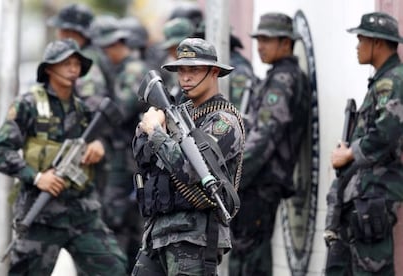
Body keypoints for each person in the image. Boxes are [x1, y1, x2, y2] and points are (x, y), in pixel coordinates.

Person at [0, 39, 127, 275]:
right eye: (65, 63)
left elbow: (108, 140)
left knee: (114, 268)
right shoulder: (28, 105)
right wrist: (36, 177)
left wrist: (99, 145)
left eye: (76, 63)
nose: (73, 69)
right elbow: (2, 153)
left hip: (82, 214)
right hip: (41, 215)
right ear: (48, 69)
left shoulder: (85, 110)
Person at [131, 38, 245, 276]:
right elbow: (142, 158)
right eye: (181, 70)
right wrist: (146, 129)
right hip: (157, 234)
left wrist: (156, 132)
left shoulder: (223, 121)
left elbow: (191, 170)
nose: (185, 77)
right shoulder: (175, 114)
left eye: (194, 69)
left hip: (195, 238)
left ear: (214, 72)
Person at [229, 12, 310, 276]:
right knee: (243, 255)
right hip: (257, 182)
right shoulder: (276, 76)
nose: (260, 46)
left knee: (251, 258)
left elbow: (265, 136)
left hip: (260, 183)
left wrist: (235, 177)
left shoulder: (283, 79)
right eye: (258, 39)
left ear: (286, 43)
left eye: (267, 40)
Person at [325, 12, 403, 275]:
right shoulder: (383, 81)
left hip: (375, 196)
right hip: (363, 195)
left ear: (377, 43)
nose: (358, 46)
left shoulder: (393, 81)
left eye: (361, 39)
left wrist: (349, 154)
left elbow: (386, 133)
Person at [90, 15, 148, 273]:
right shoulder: (123, 69)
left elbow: (122, 110)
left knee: (120, 219)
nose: (105, 55)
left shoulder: (133, 70)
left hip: (128, 159)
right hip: (124, 156)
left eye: (106, 49)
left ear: (116, 45)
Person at [47, 3, 108, 111]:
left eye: (61, 30)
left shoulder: (86, 60)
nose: (58, 34)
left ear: (71, 33)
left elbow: (92, 104)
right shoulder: (90, 54)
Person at [160, 17, 195, 102]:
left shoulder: (203, 68)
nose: (175, 53)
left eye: (178, 47)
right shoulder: (169, 68)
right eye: (171, 48)